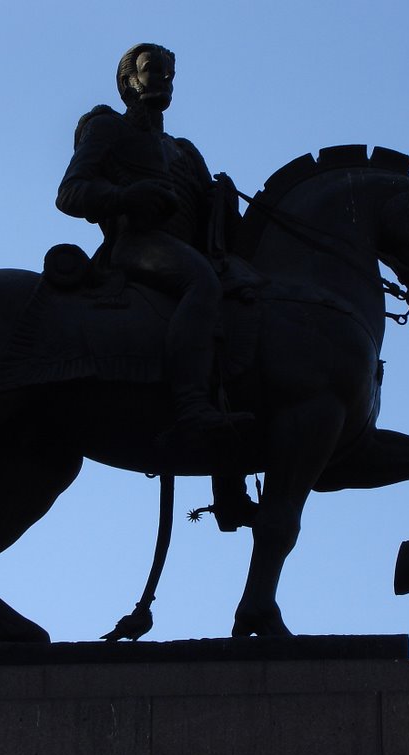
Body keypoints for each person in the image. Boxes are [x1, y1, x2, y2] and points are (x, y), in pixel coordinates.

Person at [57, 43, 256, 529]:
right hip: (136, 247)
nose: (162, 80)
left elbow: (216, 221)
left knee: (248, 305)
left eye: (169, 73)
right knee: (202, 285)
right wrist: (127, 195)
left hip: (189, 250)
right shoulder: (109, 129)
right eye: (151, 72)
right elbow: (71, 192)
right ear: (128, 83)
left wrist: (223, 201)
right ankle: (190, 408)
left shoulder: (185, 151)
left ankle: (229, 479)